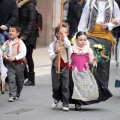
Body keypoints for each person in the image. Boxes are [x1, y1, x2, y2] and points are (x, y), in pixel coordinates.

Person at [77, 0, 120, 87]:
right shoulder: (89, 3)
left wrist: (109, 25)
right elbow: (84, 19)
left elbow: (119, 19)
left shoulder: (113, 3)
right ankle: (91, 85)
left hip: (106, 36)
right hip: (91, 35)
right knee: (90, 58)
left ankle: (103, 88)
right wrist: (79, 36)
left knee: (103, 63)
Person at [69, 31, 112, 110]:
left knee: (84, 87)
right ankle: (76, 102)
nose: (83, 42)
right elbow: (69, 60)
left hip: (85, 71)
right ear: (76, 40)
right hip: (74, 71)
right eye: (80, 40)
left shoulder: (88, 50)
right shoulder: (72, 49)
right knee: (75, 87)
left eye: (84, 40)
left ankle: (82, 102)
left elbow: (91, 61)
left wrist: (95, 60)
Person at [48, 22, 71, 111]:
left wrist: (64, 37)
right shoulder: (52, 45)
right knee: (56, 86)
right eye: (61, 33)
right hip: (55, 67)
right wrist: (55, 52)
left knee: (65, 86)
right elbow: (50, 56)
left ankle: (65, 103)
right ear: (57, 34)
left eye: (65, 33)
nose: (63, 35)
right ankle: (56, 98)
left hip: (65, 67)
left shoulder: (66, 43)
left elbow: (69, 45)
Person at [17, 0, 39, 86]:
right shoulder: (20, 6)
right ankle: (26, 75)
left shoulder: (30, 6)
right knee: (20, 54)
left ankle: (31, 79)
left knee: (28, 56)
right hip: (22, 33)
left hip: (30, 35)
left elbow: (31, 22)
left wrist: (25, 35)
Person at [2, 25, 26, 102]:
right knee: (11, 79)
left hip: (19, 64)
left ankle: (17, 93)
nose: (10, 32)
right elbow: (2, 50)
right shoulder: (7, 43)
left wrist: (15, 58)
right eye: (9, 31)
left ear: (18, 33)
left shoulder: (20, 43)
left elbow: (23, 53)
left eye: (13, 31)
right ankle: (12, 95)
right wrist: (4, 54)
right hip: (9, 64)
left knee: (20, 81)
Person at [0, 0, 18, 91]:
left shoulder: (11, 2)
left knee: (4, 56)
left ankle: (6, 80)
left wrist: (6, 25)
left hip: (4, 33)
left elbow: (14, 17)